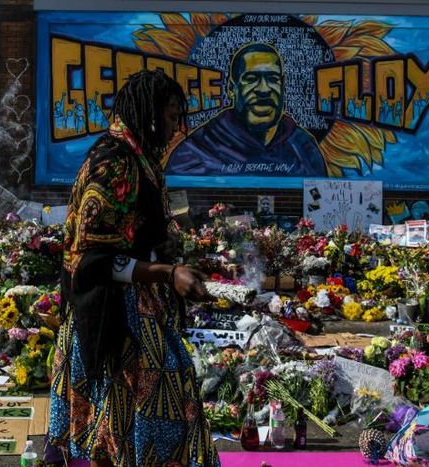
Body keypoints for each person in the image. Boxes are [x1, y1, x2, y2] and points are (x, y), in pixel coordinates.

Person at [48, 70, 220, 467]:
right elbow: (94, 261)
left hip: (135, 308)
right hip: (112, 317)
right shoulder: (114, 163)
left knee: (127, 423)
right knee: (143, 414)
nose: (178, 126)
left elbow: (130, 232)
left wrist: (164, 246)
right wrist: (166, 274)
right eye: (173, 115)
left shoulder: (139, 157)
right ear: (150, 112)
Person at [166, 43, 327, 177]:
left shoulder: (303, 147)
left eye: (273, 79)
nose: (264, 90)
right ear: (231, 88)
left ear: (283, 86)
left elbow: (320, 202)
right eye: (251, 79)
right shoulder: (197, 150)